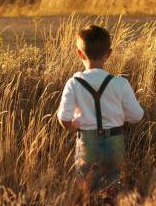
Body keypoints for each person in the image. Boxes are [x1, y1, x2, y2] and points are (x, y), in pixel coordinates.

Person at [57, 25, 144, 197]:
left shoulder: (73, 83)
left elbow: (64, 119)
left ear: (79, 54)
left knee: (86, 189)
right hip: (114, 141)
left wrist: (72, 126)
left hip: (87, 142)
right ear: (108, 53)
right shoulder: (120, 83)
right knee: (113, 188)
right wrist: (121, 118)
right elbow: (137, 116)